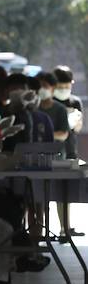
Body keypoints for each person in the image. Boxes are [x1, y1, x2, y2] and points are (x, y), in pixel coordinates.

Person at [53, 65, 84, 240]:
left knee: (67, 191)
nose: (64, 89)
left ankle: (67, 226)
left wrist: (74, 119)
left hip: (70, 150)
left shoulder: (75, 101)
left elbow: (78, 127)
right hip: (55, 151)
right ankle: (61, 228)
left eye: (67, 86)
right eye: (60, 86)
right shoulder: (50, 102)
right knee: (56, 192)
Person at [36, 73, 69, 145]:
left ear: (53, 88)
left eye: (44, 86)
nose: (41, 89)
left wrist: (44, 135)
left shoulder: (60, 109)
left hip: (54, 151)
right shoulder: (33, 108)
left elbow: (63, 134)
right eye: (39, 86)